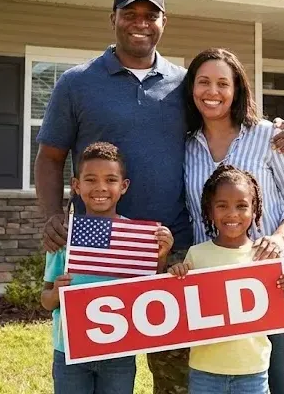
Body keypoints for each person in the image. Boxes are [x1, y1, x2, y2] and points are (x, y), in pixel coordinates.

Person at [34, 0, 284, 394]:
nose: (141, 22)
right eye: (131, 13)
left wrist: (278, 131)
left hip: (171, 249)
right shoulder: (76, 83)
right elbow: (49, 158)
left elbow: (225, 111)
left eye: (150, 15)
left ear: (163, 22)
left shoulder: (182, 84)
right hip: (98, 246)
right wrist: (51, 216)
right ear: (114, 18)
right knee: (94, 364)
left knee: (175, 377)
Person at [182, 48, 284, 394]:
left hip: (277, 277)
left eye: (223, 83)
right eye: (204, 82)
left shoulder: (270, 136)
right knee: (223, 375)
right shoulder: (186, 145)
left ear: (237, 89)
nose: (213, 92)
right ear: (191, 88)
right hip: (215, 282)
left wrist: (280, 237)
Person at [42, 141, 175, 394]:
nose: (101, 187)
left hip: (118, 351)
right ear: (77, 185)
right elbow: (45, 299)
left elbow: (151, 294)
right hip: (70, 350)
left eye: (110, 180)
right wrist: (57, 293)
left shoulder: (138, 238)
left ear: (123, 186)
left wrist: (161, 255)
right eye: (90, 180)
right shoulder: (65, 236)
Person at [169, 164, 284, 394]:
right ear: (209, 210)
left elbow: (274, 307)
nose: (232, 214)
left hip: (252, 371)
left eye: (241, 206)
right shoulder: (196, 254)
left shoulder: (264, 255)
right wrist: (176, 275)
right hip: (204, 371)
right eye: (222, 206)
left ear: (254, 209)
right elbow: (181, 307)